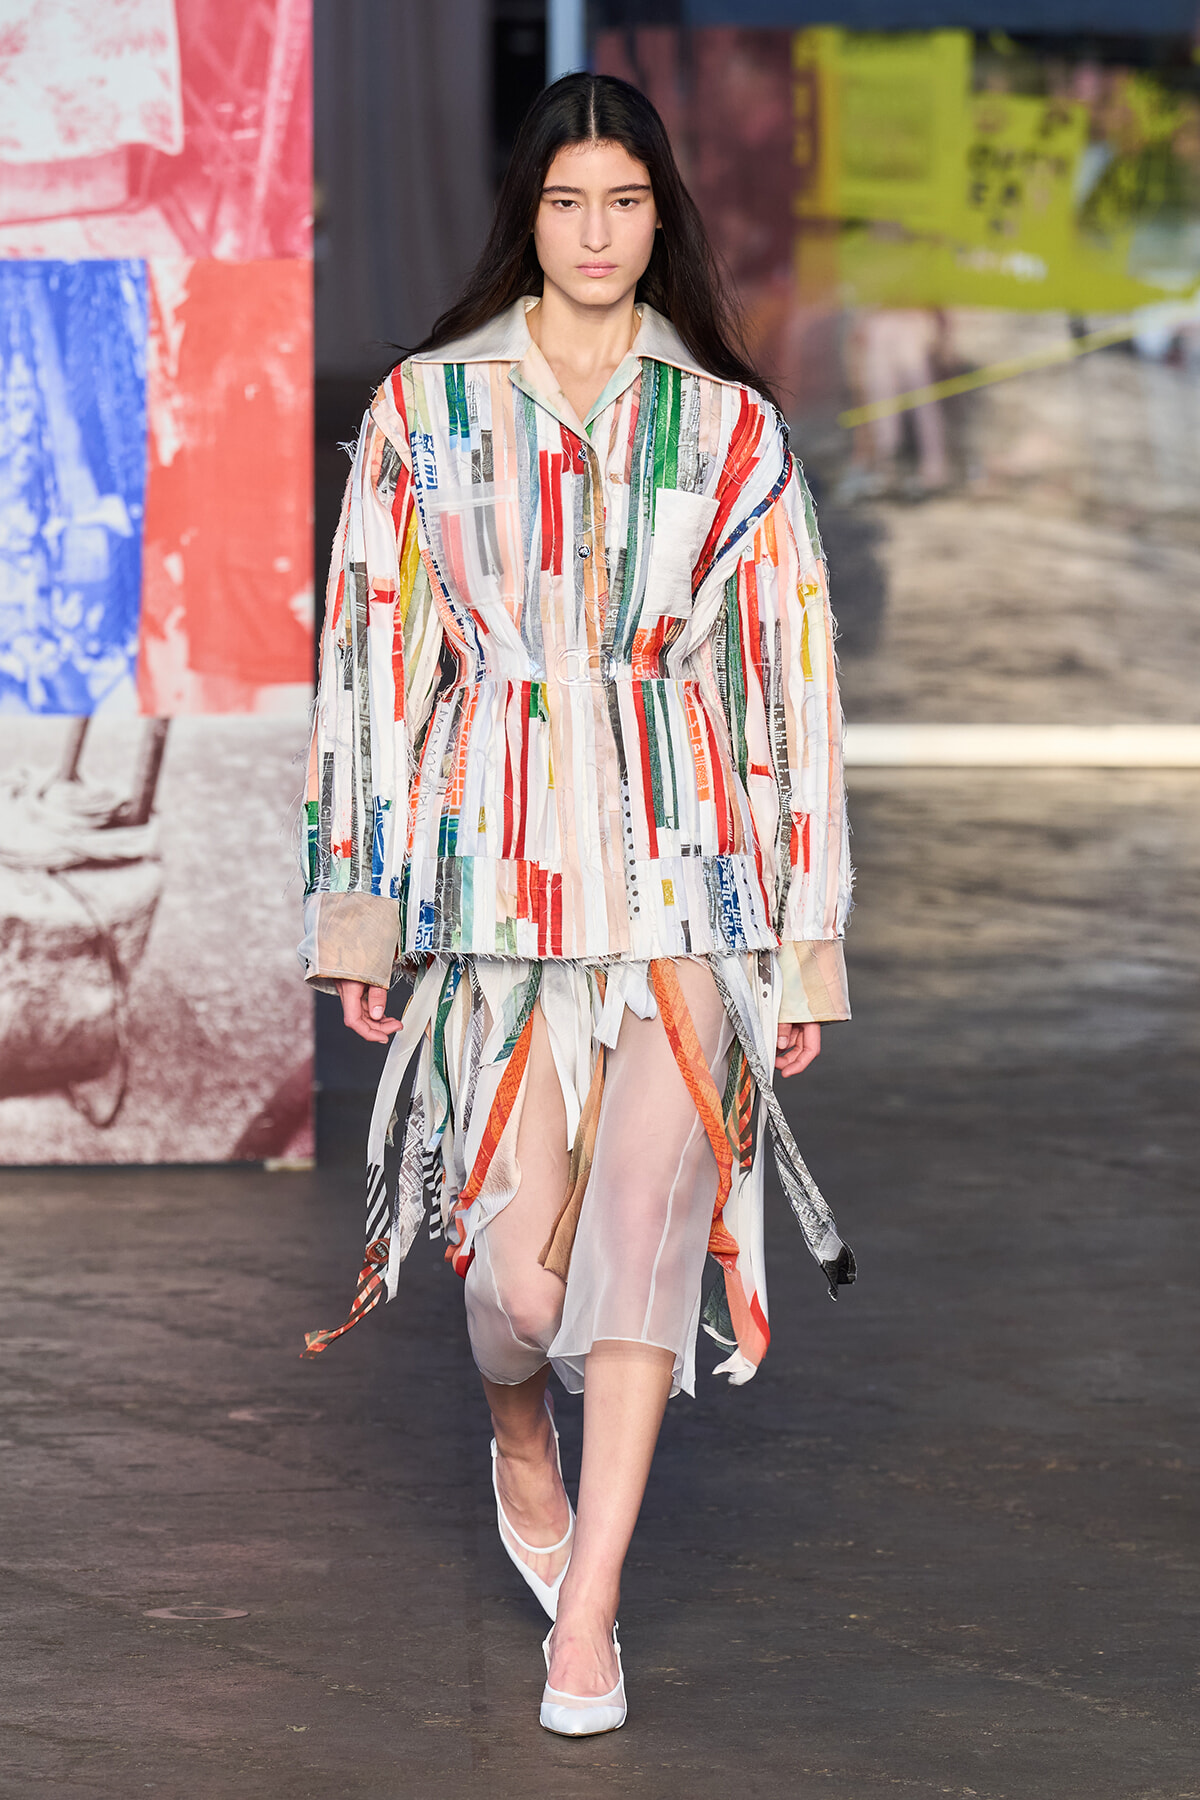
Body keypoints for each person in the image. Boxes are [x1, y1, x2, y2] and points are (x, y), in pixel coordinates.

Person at [299, 72, 854, 1739]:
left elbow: (789, 688)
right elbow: (370, 673)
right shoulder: (427, 412)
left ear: (661, 215)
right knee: (519, 1296)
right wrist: (360, 922)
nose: (599, 232)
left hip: (688, 879)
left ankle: (590, 1613)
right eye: (566, 203)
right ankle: (515, 1437)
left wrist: (804, 951)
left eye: (625, 201)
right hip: (497, 885)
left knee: (634, 1260)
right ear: (526, 216)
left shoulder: (731, 429)